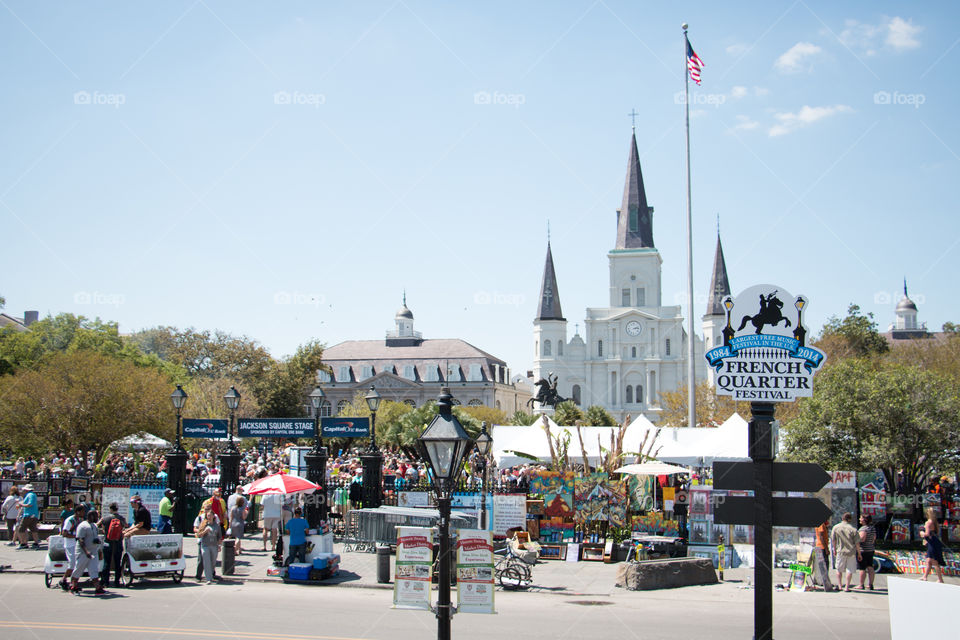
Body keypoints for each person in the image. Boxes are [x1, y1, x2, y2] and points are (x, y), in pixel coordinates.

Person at [71, 510, 105, 595]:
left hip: (93, 552)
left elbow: (95, 537)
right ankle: (73, 587)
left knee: (94, 570)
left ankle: (98, 588)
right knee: (79, 569)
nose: (98, 518)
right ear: (91, 516)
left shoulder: (94, 526)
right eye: (96, 516)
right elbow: (80, 540)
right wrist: (86, 552)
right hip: (83, 553)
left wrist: (99, 548)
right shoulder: (82, 526)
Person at [97, 503, 126, 588]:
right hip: (118, 543)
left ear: (110, 509)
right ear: (117, 509)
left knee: (106, 562)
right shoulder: (121, 518)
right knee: (118, 562)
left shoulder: (105, 518)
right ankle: (117, 581)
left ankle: (106, 582)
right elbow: (125, 526)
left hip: (107, 542)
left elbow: (98, 525)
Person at [830, 512, 861, 592]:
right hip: (851, 552)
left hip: (840, 551)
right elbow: (857, 543)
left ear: (842, 518)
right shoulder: (853, 529)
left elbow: (833, 540)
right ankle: (847, 587)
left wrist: (834, 549)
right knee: (850, 569)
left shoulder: (836, 527)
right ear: (850, 519)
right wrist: (859, 553)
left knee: (839, 569)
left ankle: (840, 585)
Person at [59, 504, 85, 591]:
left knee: (78, 564)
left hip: (77, 545)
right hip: (70, 545)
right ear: (78, 512)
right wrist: (76, 537)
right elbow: (64, 533)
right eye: (82, 511)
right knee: (72, 563)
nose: (84, 513)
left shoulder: (79, 520)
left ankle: (73, 583)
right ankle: (63, 579)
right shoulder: (70, 520)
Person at [195, 504, 222, 584]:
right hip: (205, 545)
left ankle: (211, 574)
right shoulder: (203, 523)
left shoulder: (216, 526)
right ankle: (208, 579)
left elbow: (219, 537)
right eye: (208, 516)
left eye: (210, 515)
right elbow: (198, 534)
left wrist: (219, 545)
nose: (209, 517)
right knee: (206, 561)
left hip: (213, 545)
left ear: (214, 516)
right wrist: (204, 531)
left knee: (213, 562)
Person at [920, 506, 945, 583]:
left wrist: (921, 533)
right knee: (928, 560)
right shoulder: (935, 522)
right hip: (934, 542)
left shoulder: (928, 522)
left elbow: (927, 534)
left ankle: (940, 579)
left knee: (934, 561)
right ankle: (925, 576)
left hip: (932, 543)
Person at [855, 514, 877, 590]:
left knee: (862, 568)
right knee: (870, 566)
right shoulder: (872, 528)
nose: (859, 519)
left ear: (864, 520)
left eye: (861, 518)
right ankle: (870, 584)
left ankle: (861, 584)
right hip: (870, 549)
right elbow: (874, 538)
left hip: (863, 550)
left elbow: (862, 539)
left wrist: (855, 540)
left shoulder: (863, 529)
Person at [15, 484, 41, 549]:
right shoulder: (33, 495)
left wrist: (21, 505)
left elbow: (30, 504)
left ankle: (24, 543)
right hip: (34, 514)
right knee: (33, 529)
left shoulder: (30, 495)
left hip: (28, 514)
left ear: (26, 490)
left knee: (21, 529)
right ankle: (36, 543)